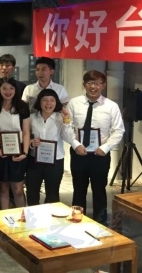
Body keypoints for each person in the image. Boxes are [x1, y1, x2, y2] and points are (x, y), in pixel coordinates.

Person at [67, 70, 124, 224]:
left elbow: (118, 131)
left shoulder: (111, 106)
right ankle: (77, 222)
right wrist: (76, 145)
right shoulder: (74, 103)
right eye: (90, 83)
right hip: (79, 154)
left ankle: (101, 224)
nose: (93, 87)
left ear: (103, 85)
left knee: (99, 191)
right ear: (84, 85)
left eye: (97, 83)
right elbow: (67, 128)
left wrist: (105, 148)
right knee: (78, 190)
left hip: (100, 155)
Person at [27, 89, 75, 206]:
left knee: (52, 195)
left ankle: (50, 217)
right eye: (45, 100)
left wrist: (66, 120)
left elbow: (68, 138)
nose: (48, 104)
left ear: (56, 102)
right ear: (39, 102)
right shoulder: (32, 117)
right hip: (34, 160)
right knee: (32, 193)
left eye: (52, 100)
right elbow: (26, 136)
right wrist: (31, 143)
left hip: (55, 161)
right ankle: (34, 216)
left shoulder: (61, 118)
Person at [0, 78, 30, 209]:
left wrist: (25, 152)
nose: (8, 91)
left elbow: (26, 131)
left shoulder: (22, 106)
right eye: (4, 88)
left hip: (18, 151)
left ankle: (22, 217)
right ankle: (4, 218)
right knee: (2, 188)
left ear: (16, 90)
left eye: (11, 88)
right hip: (0, 151)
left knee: (18, 189)